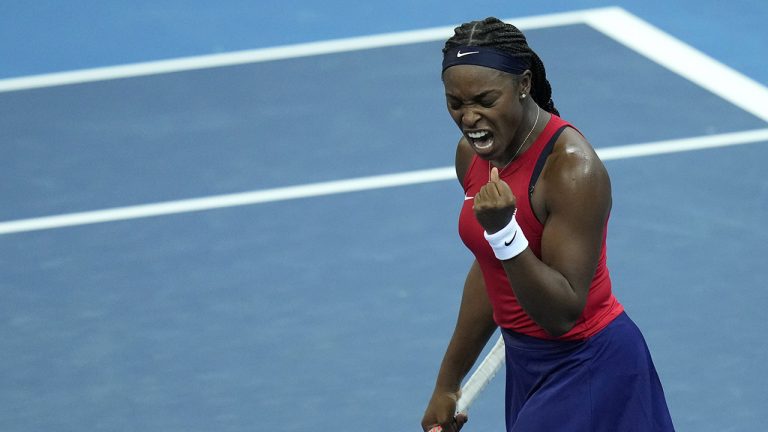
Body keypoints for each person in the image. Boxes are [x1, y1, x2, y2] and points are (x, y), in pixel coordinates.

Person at [421, 17, 675, 432]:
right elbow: (492, 270)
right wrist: (448, 382)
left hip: (589, 367)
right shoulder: (472, 156)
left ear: (523, 84)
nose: (469, 117)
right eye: (456, 103)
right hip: (528, 369)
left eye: (484, 100)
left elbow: (561, 316)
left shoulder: (572, 170)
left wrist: (505, 233)